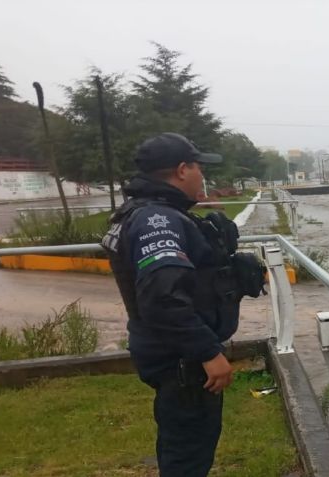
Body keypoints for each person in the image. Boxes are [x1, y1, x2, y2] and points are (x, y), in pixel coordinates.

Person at [102, 132, 245, 476]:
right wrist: (209, 353)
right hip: (183, 362)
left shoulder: (146, 213)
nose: (202, 176)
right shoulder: (158, 220)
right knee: (188, 456)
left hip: (171, 355)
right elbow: (162, 297)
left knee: (182, 445)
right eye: (198, 168)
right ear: (183, 170)